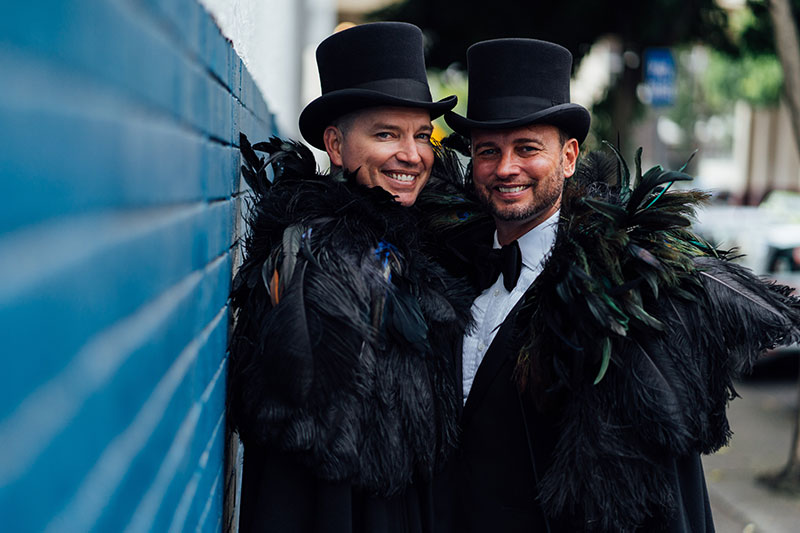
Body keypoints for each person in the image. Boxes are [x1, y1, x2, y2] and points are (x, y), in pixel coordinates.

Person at [440, 38, 800, 532]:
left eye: (527, 148)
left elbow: (657, 490)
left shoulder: (622, 292)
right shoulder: (452, 271)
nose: (506, 168)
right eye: (488, 151)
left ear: (568, 158)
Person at [227, 22, 471, 533]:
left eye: (423, 136)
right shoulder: (323, 267)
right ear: (336, 146)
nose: (413, 154)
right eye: (387, 134)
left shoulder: (407, 243)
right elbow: (309, 477)